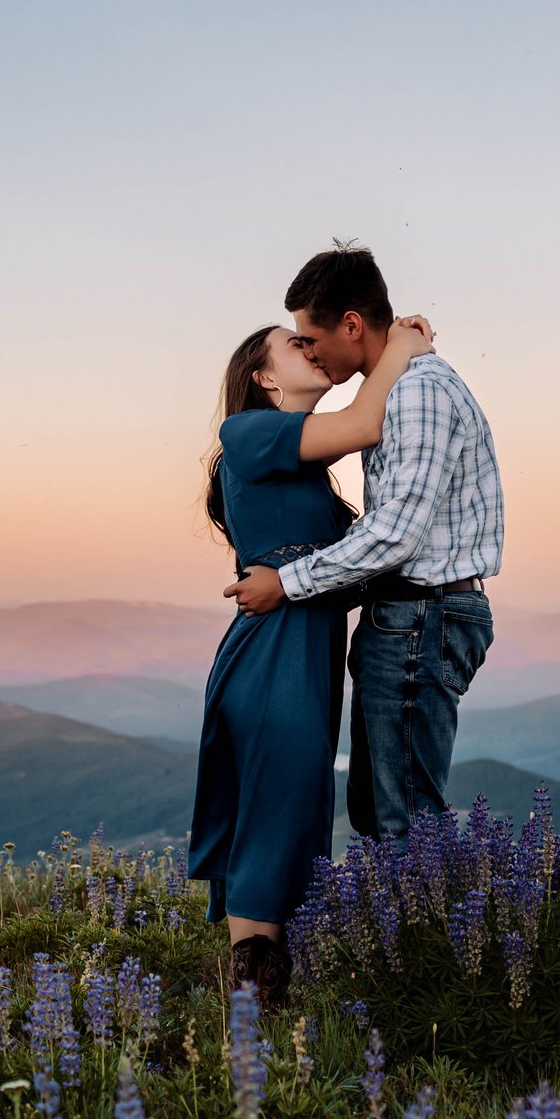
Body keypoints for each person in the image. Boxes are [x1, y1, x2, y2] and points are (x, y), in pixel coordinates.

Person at [190, 314, 436, 1007]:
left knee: (296, 811)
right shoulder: (247, 430)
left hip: (309, 661)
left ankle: (267, 1001)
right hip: (272, 660)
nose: (312, 347)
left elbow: (360, 557)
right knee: (275, 811)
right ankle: (253, 1004)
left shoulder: (308, 475)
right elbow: (364, 422)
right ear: (264, 376)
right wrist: (401, 349)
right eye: (295, 344)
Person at [225, 246, 504, 842]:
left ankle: (424, 935)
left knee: (402, 816)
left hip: (421, 614)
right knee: (381, 810)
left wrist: (288, 582)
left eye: (310, 335)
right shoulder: (400, 383)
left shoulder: (417, 392)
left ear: (351, 324)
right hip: (407, 613)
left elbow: (397, 532)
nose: (311, 350)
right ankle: (396, 932)